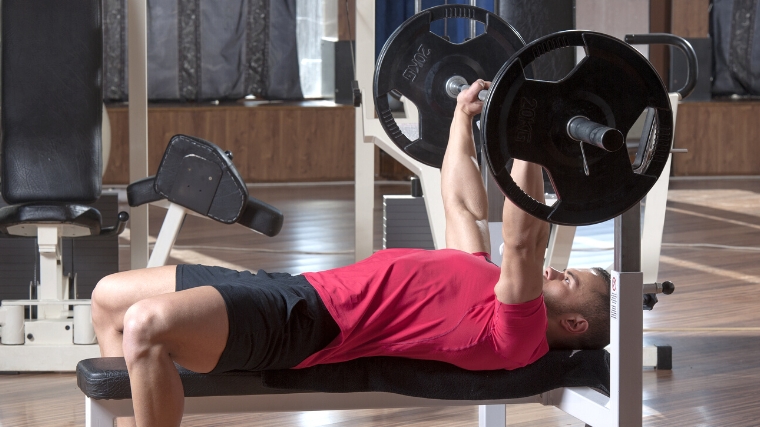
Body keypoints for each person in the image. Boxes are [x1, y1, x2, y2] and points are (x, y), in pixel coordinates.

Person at [91, 80, 610, 426]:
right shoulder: (481, 274)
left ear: (575, 325)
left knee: (146, 324)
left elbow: (523, 240)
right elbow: (459, 203)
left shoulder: (515, 333)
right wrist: (461, 118)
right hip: (293, 289)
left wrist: (532, 138)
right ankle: (145, 394)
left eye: (570, 280)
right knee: (108, 298)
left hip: (308, 326)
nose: (558, 270)